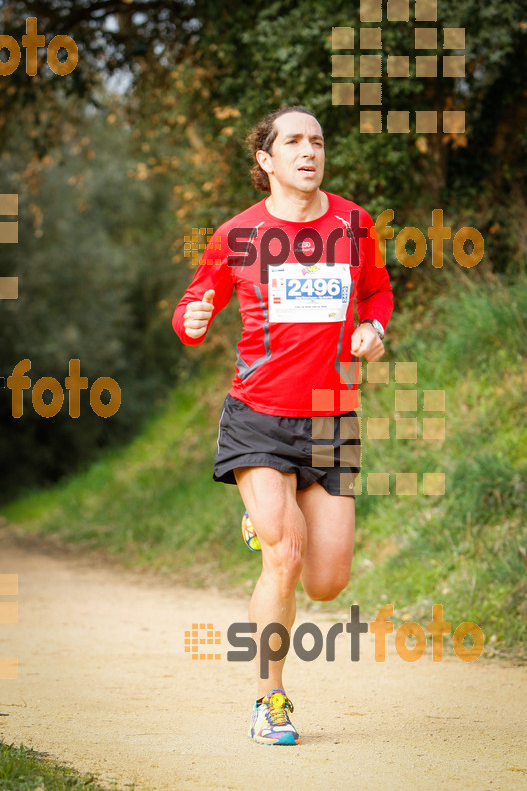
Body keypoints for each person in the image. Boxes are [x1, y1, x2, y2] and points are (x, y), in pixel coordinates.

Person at [172, 106, 393, 745]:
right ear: (266, 160)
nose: (308, 150)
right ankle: (270, 700)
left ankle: (269, 517)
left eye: (317, 140)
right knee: (286, 555)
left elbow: (377, 293)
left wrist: (373, 329)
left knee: (327, 581)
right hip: (258, 418)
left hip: (333, 419)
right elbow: (194, 303)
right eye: (292, 141)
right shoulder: (236, 235)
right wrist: (190, 320)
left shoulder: (355, 224)